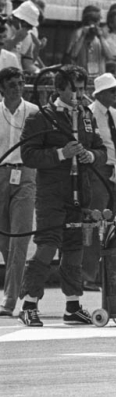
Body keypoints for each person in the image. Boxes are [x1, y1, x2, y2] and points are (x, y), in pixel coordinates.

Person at [17, 65, 108, 327]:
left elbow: (100, 150)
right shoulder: (41, 117)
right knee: (47, 245)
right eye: (75, 89)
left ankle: (73, 306)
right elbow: (28, 155)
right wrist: (60, 154)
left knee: (74, 247)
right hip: (52, 194)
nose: (80, 94)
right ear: (59, 89)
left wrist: (90, 156)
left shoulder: (87, 115)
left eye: (82, 88)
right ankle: (29, 304)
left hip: (80, 193)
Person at [0, 67, 38, 317]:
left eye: (21, 82)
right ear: (2, 87)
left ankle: (10, 299)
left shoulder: (33, 111)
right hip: (1, 173)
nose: (17, 87)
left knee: (19, 237)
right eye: (12, 83)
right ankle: (19, 288)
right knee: (4, 238)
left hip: (26, 174)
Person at [82, 72, 116, 290]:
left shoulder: (114, 114)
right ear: (99, 93)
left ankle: (107, 273)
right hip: (96, 169)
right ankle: (89, 274)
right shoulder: (88, 113)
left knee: (113, 222)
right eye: (112, 90)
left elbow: (113, 142)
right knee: (94, 220)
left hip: (113, 169)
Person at [64, 5, 109, 75]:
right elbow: (73, 54)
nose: (96, 23)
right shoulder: (78, 32)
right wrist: (83, 36)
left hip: (99, 75)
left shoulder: (101, 33)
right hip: (82, 75)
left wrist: (100, 37)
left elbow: (109, 55)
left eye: (97, 20)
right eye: (93, 20)